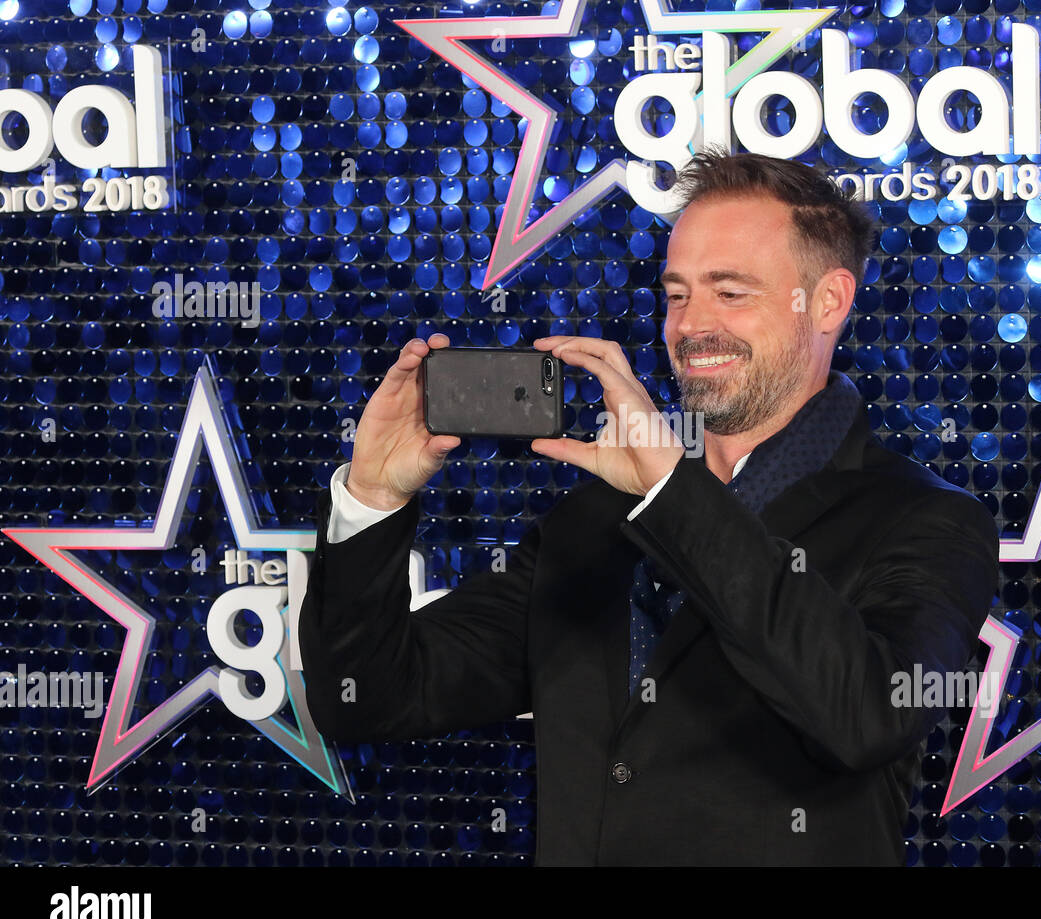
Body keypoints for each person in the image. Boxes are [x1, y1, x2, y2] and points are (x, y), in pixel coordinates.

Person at [299, 149, 1000, 865]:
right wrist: (373, 499)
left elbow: (865, 716)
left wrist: (673, 493)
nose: (692, 325)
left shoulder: (926, 521)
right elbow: (367, 700)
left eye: (731, 293)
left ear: (828, 301)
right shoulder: (591, 523)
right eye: (676, 294)